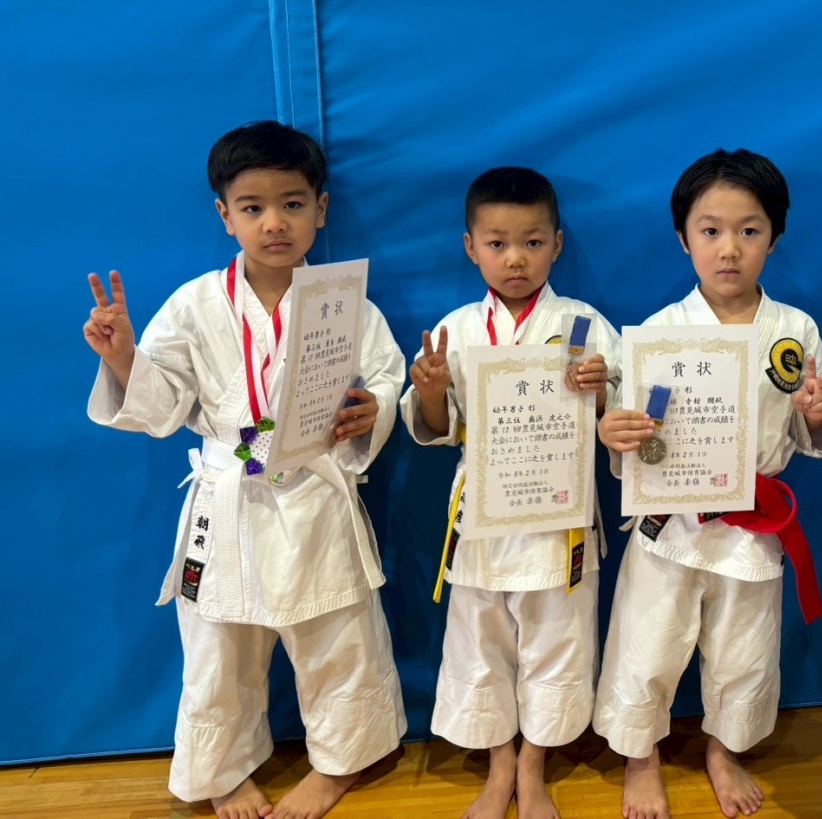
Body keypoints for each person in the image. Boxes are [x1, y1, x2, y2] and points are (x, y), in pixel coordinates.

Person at [84, 121, 407, 819]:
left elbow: (384, 375)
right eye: (253, 207)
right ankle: (222, 771)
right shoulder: (195, 304)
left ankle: (341, 762)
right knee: (218, 644)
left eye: (292, 204)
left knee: (337, 633)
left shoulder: (345, 302)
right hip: (229, 493)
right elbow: (165, 405)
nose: (274, 223)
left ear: (321, 208)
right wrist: (124, 358)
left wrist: (370, 409)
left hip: (315, 485)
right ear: (225, 215)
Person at [594, 149, 822, 819]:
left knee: (745, 650)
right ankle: (640, 757)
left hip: (753, 523)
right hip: (671, 520)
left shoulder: (794, 331)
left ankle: (724, 749)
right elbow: (632, 433)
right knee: (648, 642)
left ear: (775, 237)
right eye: (710, 230)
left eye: (749, 230)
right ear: (684, 238)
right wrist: (615, 433)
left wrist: (816, 415)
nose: (729, 249)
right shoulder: (657, 333)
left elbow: (813, 435)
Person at [401, 166, 620, 819]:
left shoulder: (584, 325)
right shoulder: (458, 328)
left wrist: (600, 391)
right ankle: (500, 761)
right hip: (484, 515)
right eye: (497, 243)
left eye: (532, 242)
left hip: (560, 513)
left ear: (557, 244)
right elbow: (436, 429)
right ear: (471, 248)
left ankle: (533, 764)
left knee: (559, 638)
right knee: (482, 639)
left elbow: (619, 415)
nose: (515, 258)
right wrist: (433, 392)